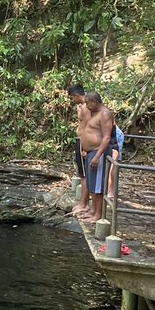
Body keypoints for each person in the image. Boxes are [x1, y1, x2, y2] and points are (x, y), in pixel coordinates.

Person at [78, 92, 115, 223]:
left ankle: (98, 214)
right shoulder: (94, 113)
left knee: (98, 185)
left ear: (94, 102)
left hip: (98, 153)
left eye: (88, 103)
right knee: (92, 184)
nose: (86, 106)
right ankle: (93, 211)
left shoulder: (105, 113)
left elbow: (106, 137)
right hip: (90, 152)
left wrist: (98, 155)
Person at [68, 84, 89, 216]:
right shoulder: (82, 106)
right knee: (82, 174)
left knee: (84, 175)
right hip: (81, 140)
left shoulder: (86, 107)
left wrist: (85, 147)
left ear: (76, 95)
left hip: (83, 141)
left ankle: (84, 204)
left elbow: (88, 127)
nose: (72, 100)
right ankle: (83, 203)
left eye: (72, 97)